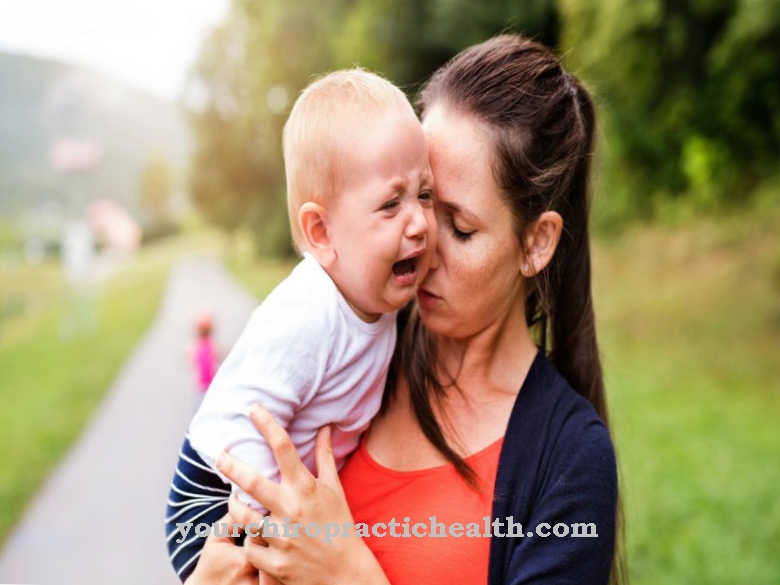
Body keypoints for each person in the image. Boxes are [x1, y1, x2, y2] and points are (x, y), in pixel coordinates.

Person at [186, 33, 624, 585]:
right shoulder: (355, 352)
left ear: (536, 243)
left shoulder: (568, 460)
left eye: (460, 228)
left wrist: (347, 575)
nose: (419, 241)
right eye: (413, 200)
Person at [165, 69, 436, 580]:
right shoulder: (309, 314)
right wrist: (258, 524)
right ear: (321, 231)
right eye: (391, 203)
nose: (420, 221)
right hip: (213, 496)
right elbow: (254, 418)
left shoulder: (384, 296)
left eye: (425, 195)